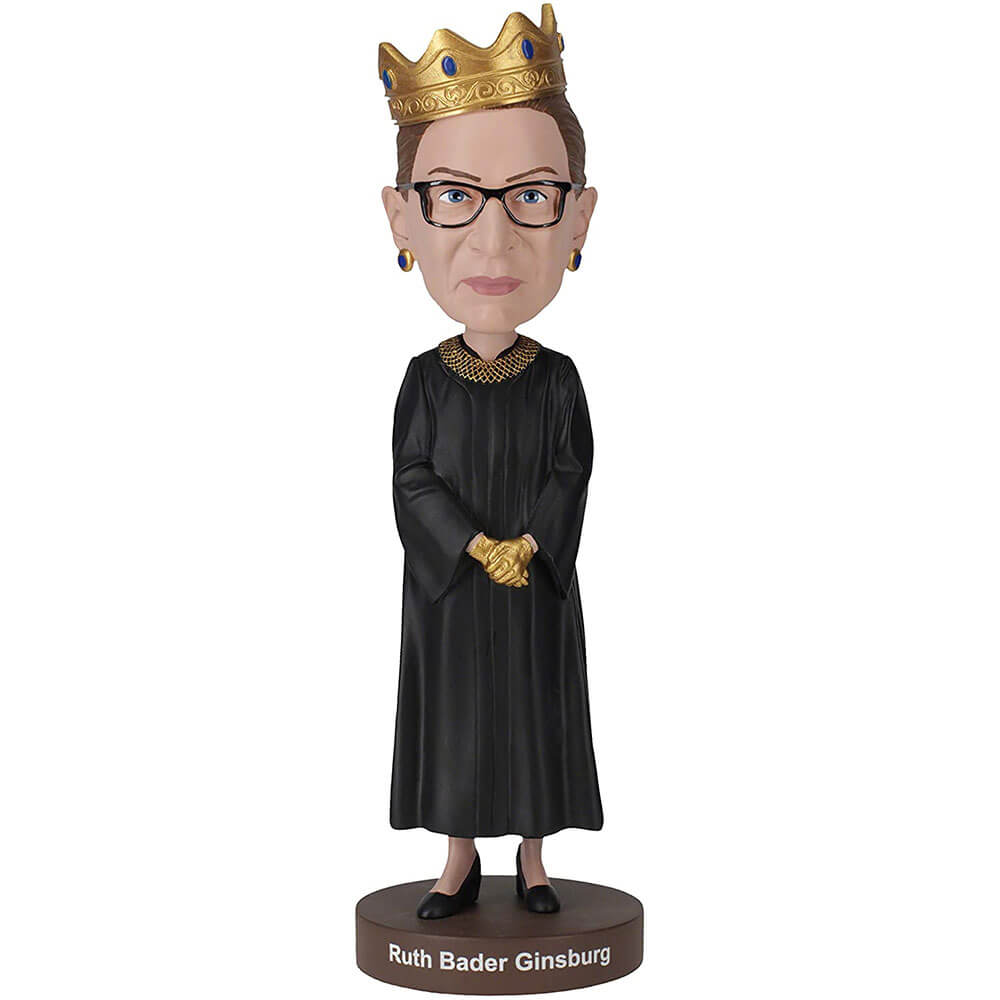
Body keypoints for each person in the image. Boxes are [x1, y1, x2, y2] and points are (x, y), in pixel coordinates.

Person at [378, 4, 603, 918]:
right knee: (459, 720)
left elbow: (571, 471)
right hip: (454, 587)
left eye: (532, 195)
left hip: (534, 582)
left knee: (536, 710)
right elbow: (411, 477)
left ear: (578, 218)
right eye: (456, 194)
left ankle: (535, 860)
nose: (494, 237)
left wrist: (531, 547)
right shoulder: (425, 379)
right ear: (404, 217)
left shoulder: (556, 379)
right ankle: (458, 859)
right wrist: (475, 547)